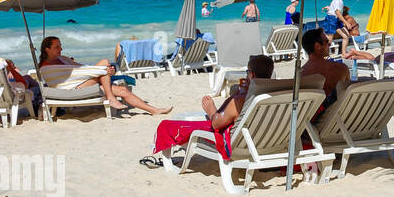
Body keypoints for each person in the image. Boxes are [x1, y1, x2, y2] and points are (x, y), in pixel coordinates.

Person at [142, 54, 275, 165]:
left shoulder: (240, 101)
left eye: (247, 72)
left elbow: (217, 123)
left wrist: (211, 110)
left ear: (251, 74)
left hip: (238, 145)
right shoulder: (275, 95)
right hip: (267, 142)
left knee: (166, 125)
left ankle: (167, 161)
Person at [38, 36, 170, 116]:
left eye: (60, 46)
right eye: (57, 47)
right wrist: (101, 70)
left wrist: (101, 71)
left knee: (122, 89)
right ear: (47, 49)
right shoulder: (45, 67)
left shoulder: (63, 59)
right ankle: (111, 98)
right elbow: (70, 77)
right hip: (70, 90)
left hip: (83, 84)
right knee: (104, 65)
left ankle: (153, 110)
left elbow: (82, 68)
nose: (61, 49)